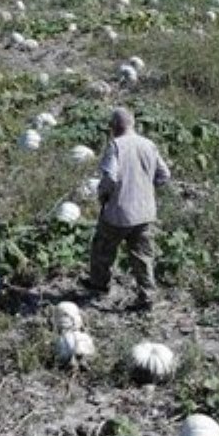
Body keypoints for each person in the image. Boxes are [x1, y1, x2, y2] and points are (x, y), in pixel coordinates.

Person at [85, 107, 171, 309]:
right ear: (132, 124)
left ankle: (99, 286)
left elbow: (110, 178)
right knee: (143, 257)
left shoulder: (116, 146)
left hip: (118, 212)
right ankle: (148, 297)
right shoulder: (149, 145)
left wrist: (103, 195)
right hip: (145, 212)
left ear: (114, 127)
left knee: (102, 249)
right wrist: (147, 188)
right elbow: (164, 175)